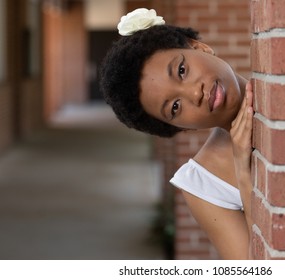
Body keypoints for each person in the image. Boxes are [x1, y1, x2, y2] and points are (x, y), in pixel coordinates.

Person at [100, 8, 254, 259]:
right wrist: (245, 174)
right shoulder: (204, 184)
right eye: (174, 107)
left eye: (182, 71)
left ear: (199, 47)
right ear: (181, 128)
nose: (195, 94)